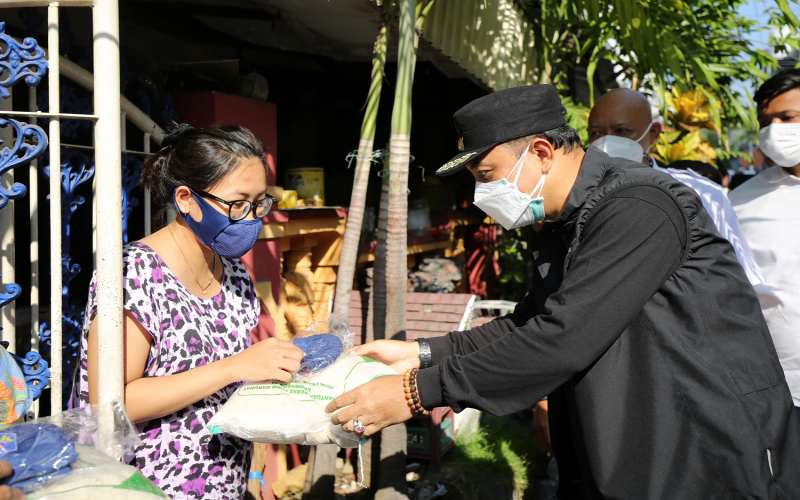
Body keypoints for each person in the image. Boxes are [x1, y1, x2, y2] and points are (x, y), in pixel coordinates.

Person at [325, 85, 800, 499]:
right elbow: (531, 322)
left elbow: (561, 338)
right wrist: (423, 353)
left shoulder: (639, 205)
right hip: (636, 442)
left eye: (486, 175)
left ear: (541, 152)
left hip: (704, 447)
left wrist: (415, 393)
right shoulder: (565, 221)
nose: (479, 195)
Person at [75, 125, 304, 499]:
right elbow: (113, 403)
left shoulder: (233, 274)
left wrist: (256, 468)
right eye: (237, 203)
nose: (250, 218)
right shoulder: (133, 274)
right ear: (186, 199)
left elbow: (237, 386)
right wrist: (234, 366)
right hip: (143, 487)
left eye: (260, 203)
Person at [587, 88, 764, 287]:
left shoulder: (703, 196)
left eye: (621, 131)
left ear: (653, 133)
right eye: (596, 134)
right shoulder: (578, 196)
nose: (606, 142)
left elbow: (744, 280)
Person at [731, 68, 800, 408]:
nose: (775, 131)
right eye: (766, 122)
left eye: (787, 117)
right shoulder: (741, 202)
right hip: (779, 389)